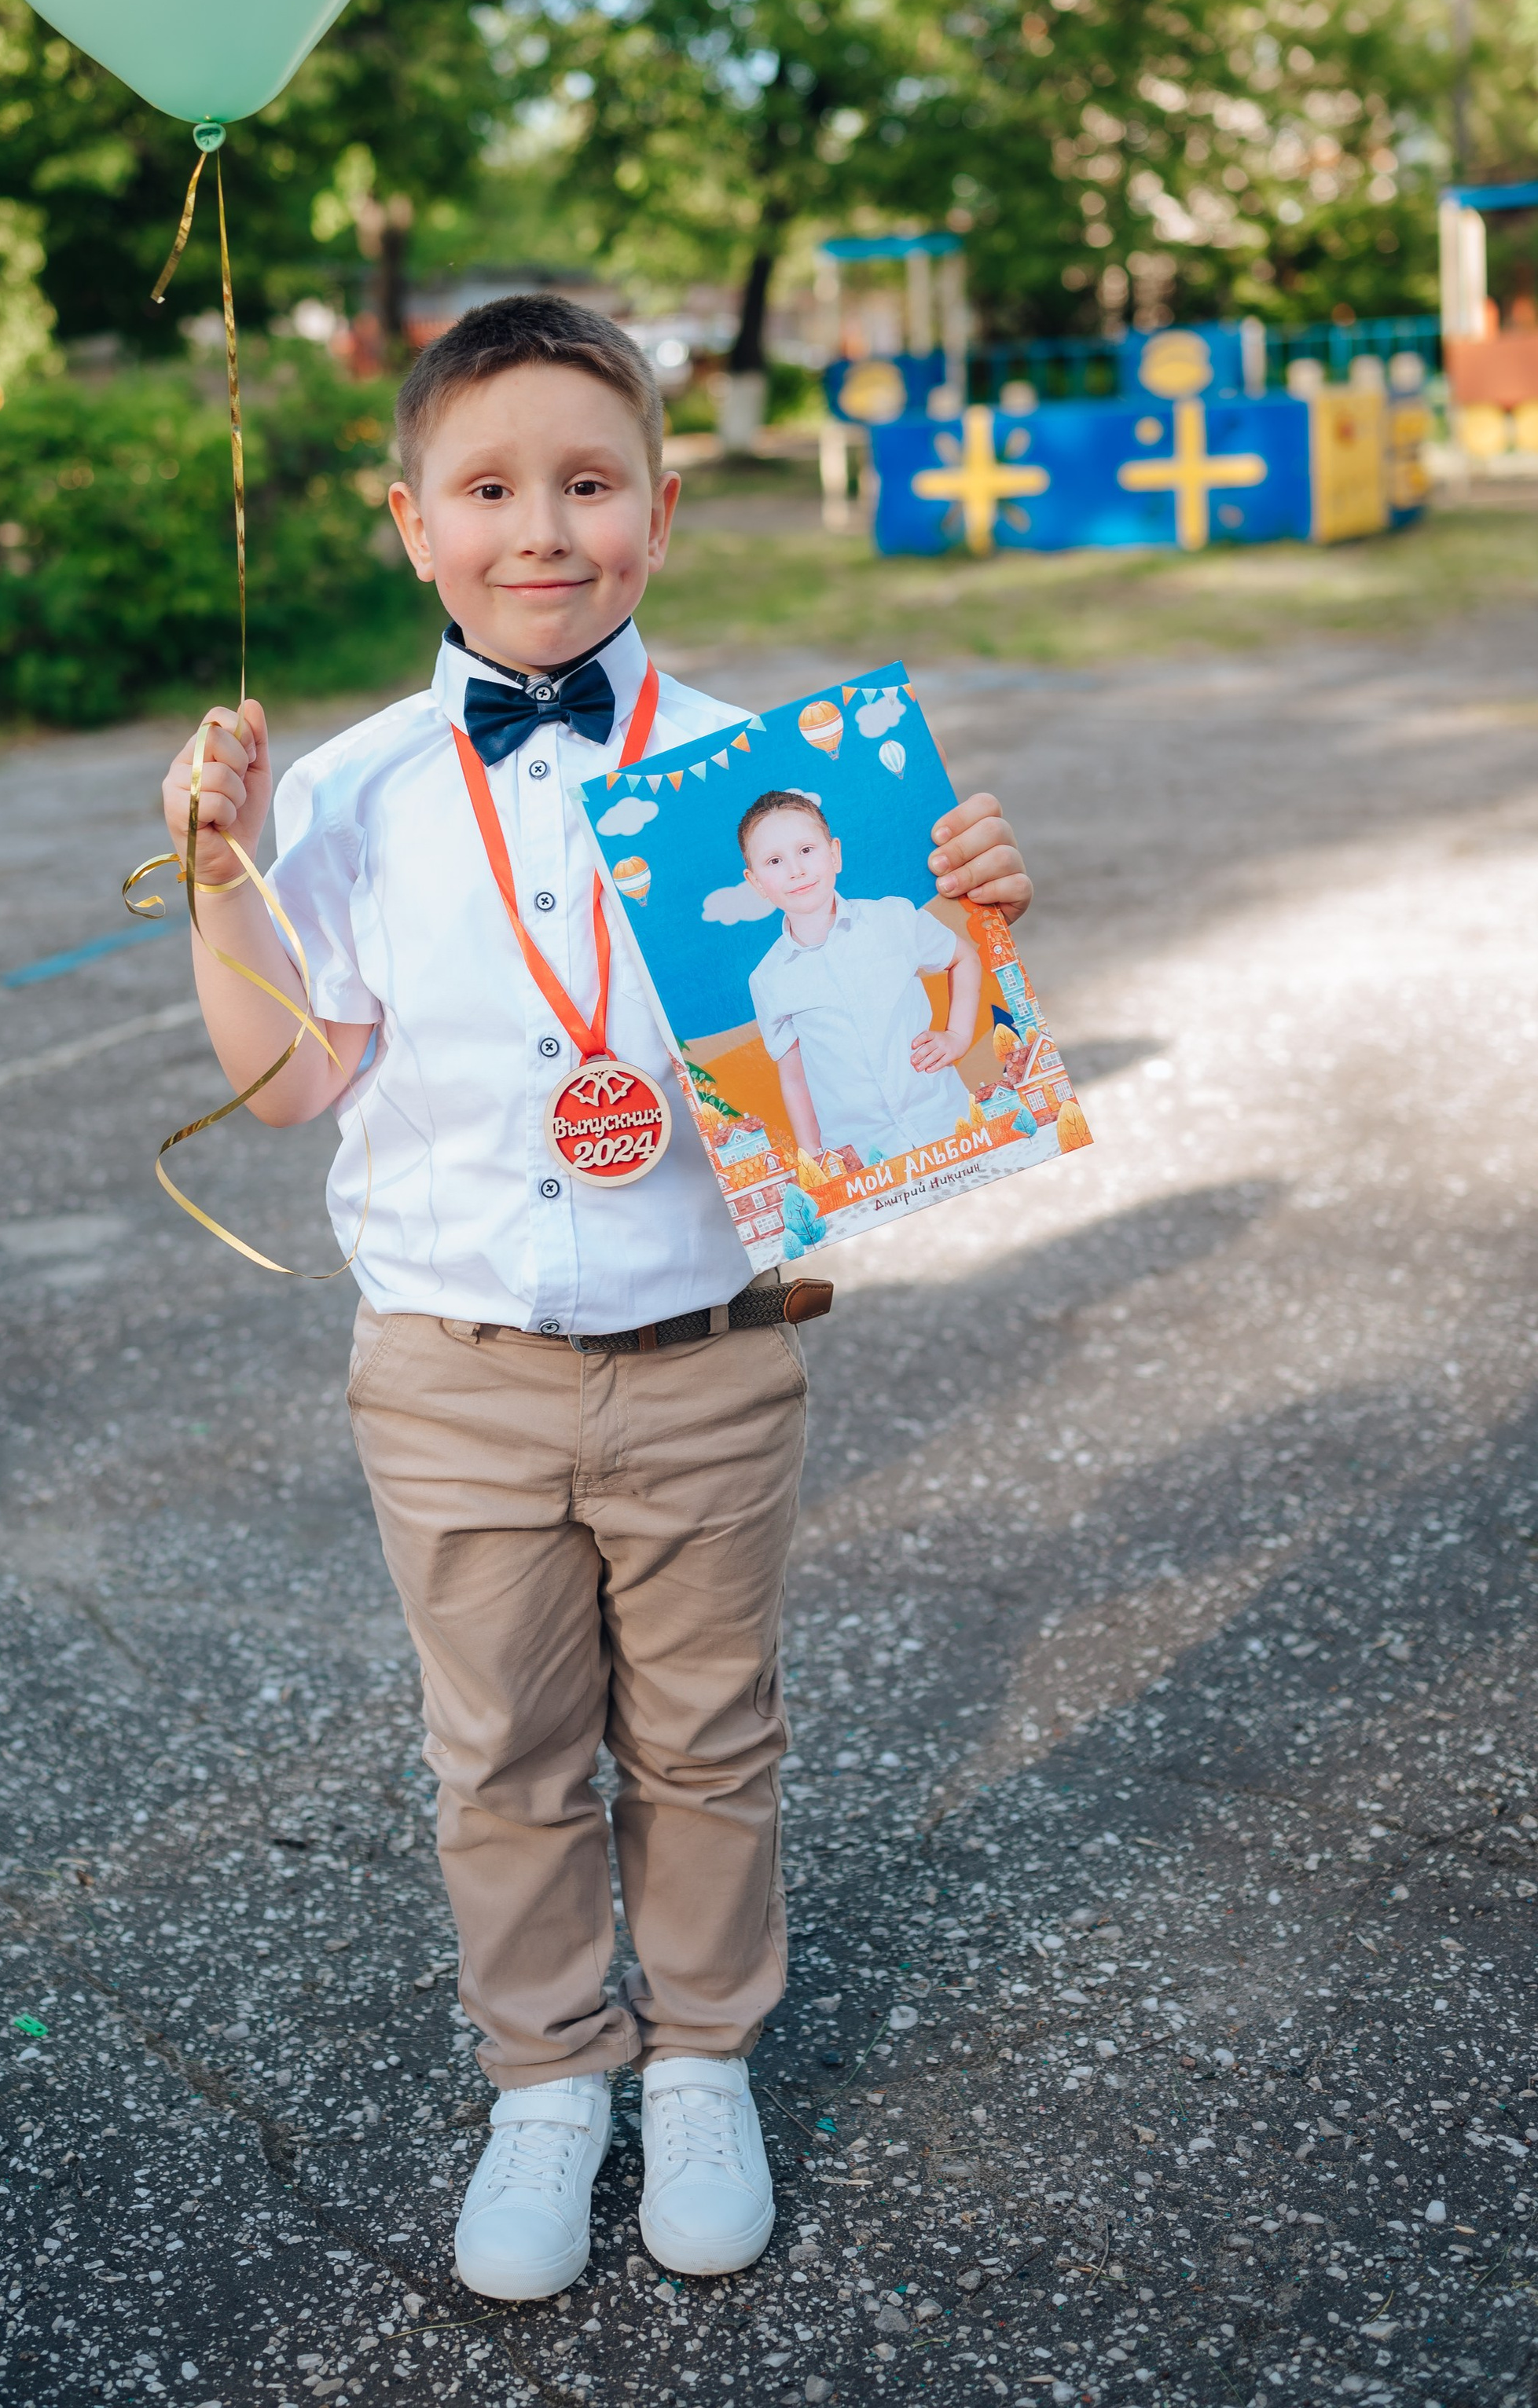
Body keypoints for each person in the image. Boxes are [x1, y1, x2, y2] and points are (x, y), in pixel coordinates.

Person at [159, 297, 1031, 2303]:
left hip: (708, 1355)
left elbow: (910, 1061)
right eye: (485, 488)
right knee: (503, 1752)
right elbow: (293, 1078)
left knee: (711, 1735)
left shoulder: (766, 772)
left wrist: (969, 918)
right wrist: (219, 870)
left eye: (586, 481)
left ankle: (704, 2049)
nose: (537, 528)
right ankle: (547, 2074)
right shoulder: (362, 790)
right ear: (409, 521)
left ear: (657, 505)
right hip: (448, 1369)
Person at [740, 790, 982, 1167]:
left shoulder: (895, 918)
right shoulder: (768, 979)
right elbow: (794, 1077)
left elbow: (963, 957)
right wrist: (816, 1158)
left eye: (806, 850)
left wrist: (958, 1036)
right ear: (756, 882)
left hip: (946, 1122)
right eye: (774, 861)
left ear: (834, 853)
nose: (795, 870)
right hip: (866, 1156)